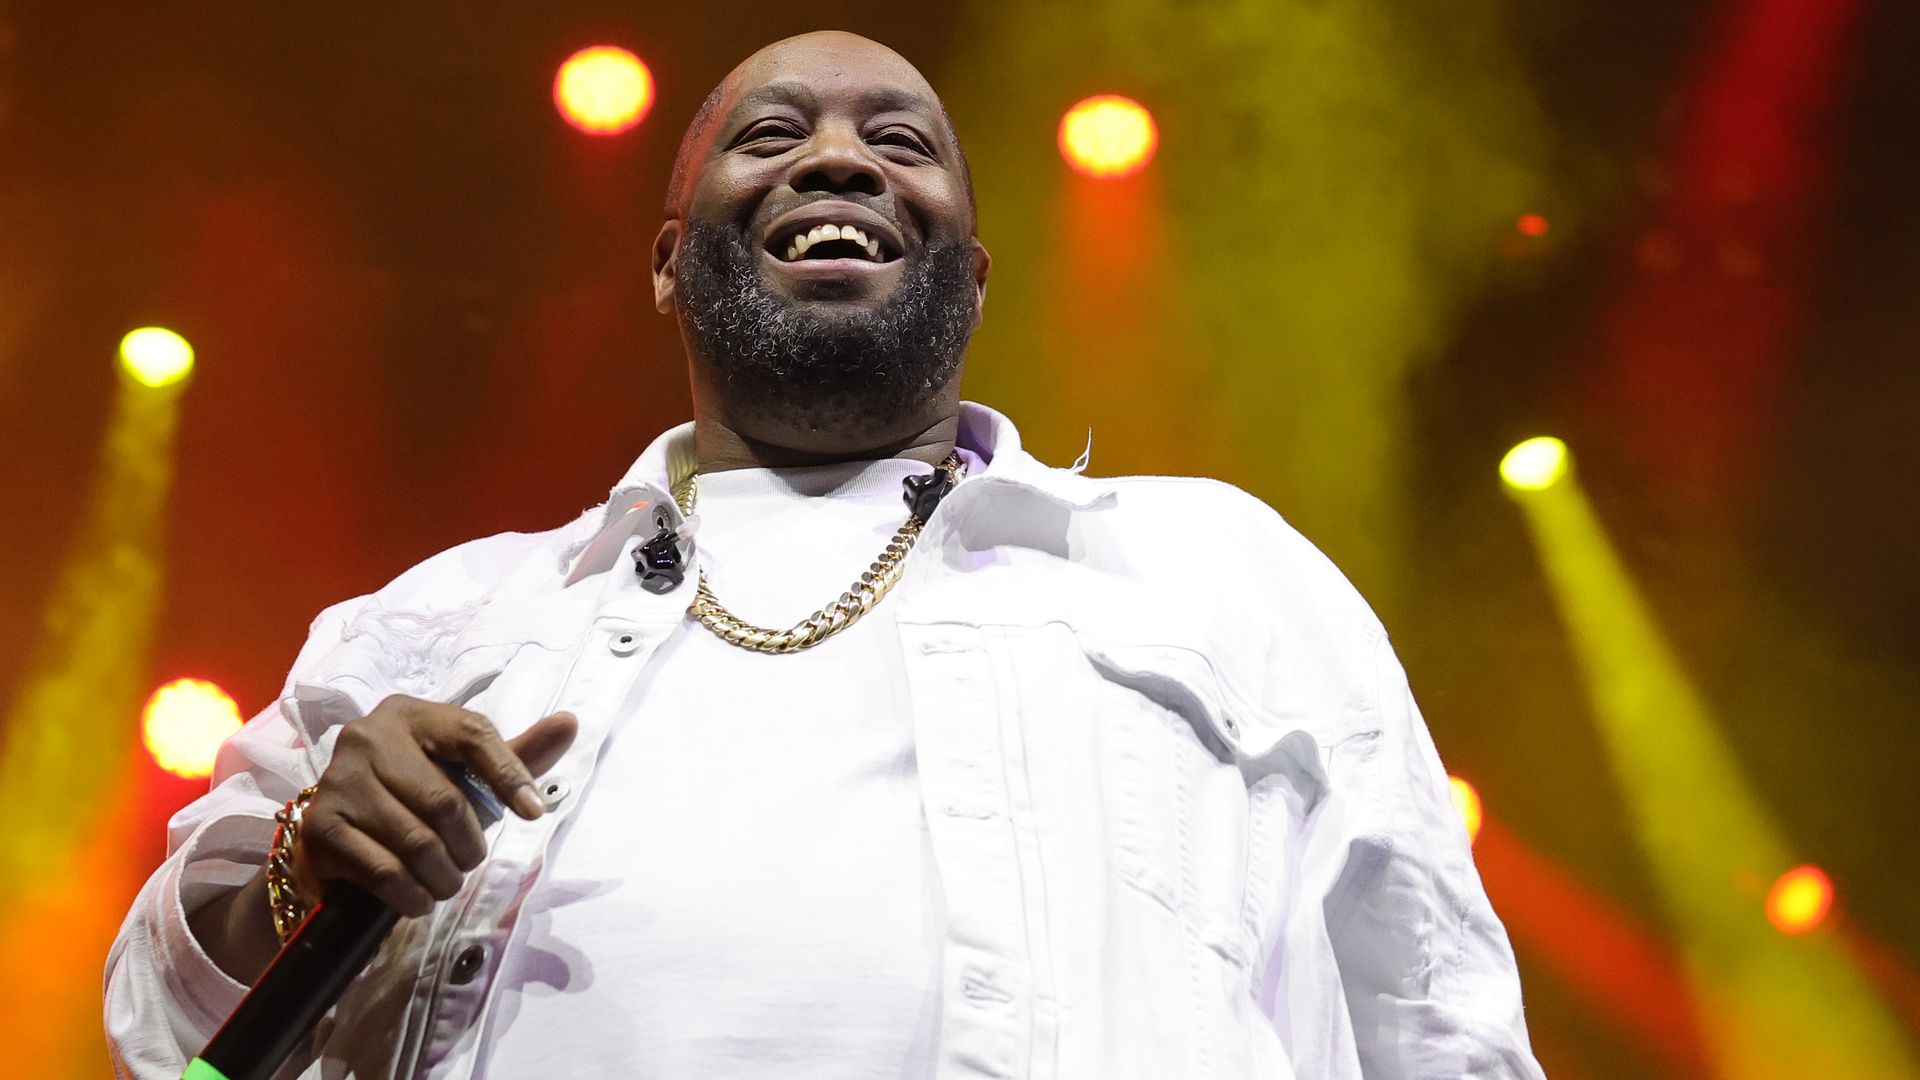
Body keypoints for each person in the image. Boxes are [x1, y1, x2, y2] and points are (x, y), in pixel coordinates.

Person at [105, 29, 1546, 1080]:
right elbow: (162, 1034)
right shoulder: (445, 620)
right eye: (771, 133)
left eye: (901, 143)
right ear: (667, 262)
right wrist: (302, 857)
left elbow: (1442, 1027)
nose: (840, 156)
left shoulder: (1218, 572)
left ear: (971, 277)